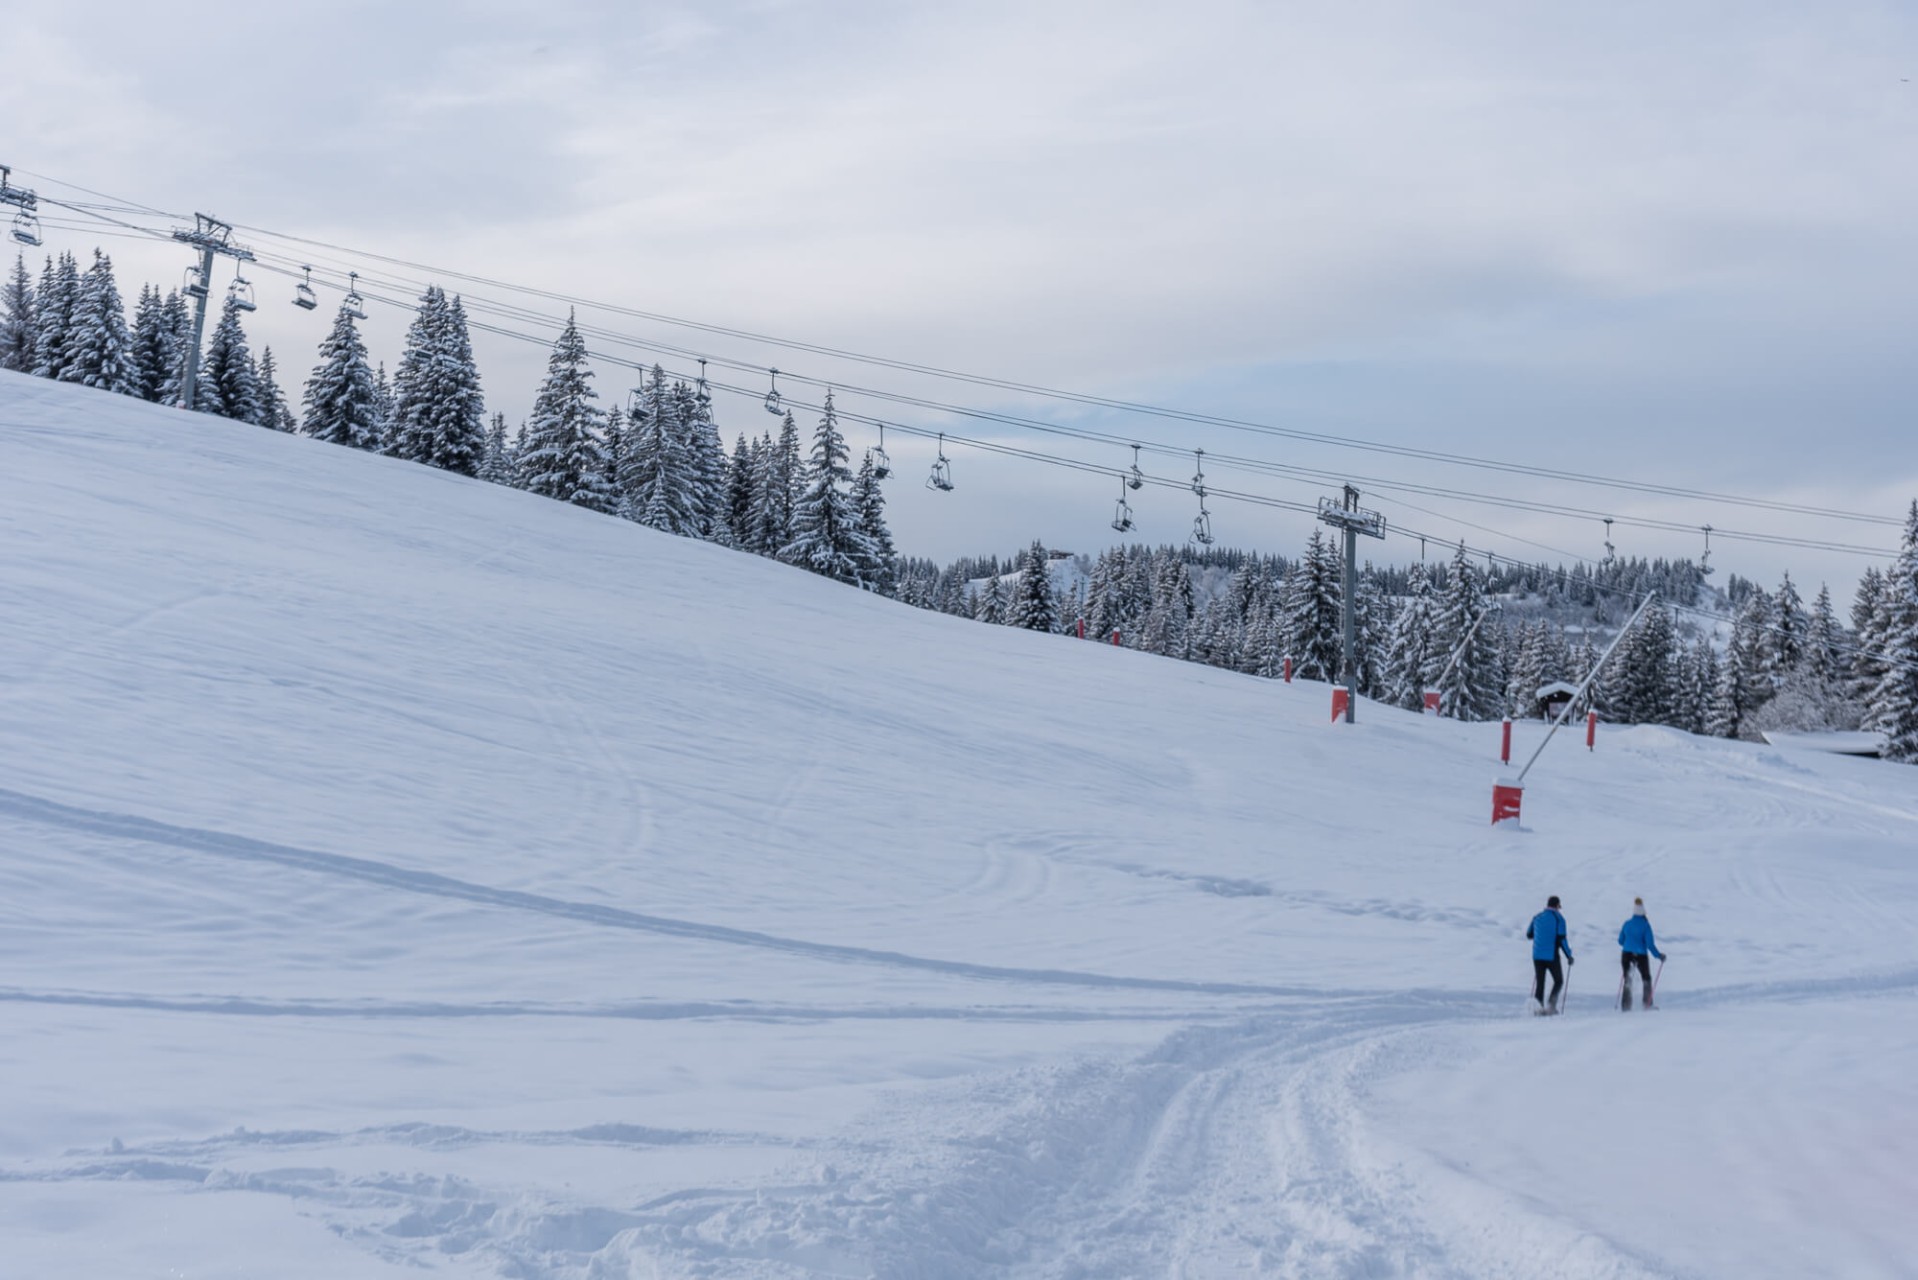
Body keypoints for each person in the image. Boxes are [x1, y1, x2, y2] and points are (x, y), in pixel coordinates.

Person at [1617, 896, 1667, 1010]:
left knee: (1627, 979)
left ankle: (1626, 1006)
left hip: (1626, 954)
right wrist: (1659, 956)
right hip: (1641, 955)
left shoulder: (1627, 924)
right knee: (1646, 978)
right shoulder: (1646, 925)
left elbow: (1620, 941)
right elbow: (1649, 944)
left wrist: (1628, 943)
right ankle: (1647, 1003)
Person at [1526, 895, 1574, 1014]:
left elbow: (1529, 934)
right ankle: (1551, 1006)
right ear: (1557, 906)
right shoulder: (1559, 919)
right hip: (1551, 956)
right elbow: (1562, 940)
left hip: (1537, 956)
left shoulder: (1537, 917)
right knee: (1559, 981)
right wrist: (1569, 956)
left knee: (1540, 983)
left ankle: (1538, 1009)